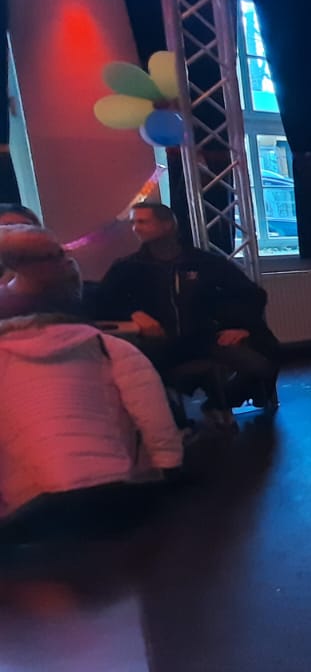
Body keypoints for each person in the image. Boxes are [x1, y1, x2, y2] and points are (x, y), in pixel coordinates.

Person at [0, 238, 182, 520]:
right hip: (113, 489)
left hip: (27, 506)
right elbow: (154, 416)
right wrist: (169, 469)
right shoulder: (108, 347)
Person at [96, 202, 280, 422]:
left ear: (167, 225)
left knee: (260, 365)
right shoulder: (128, 267)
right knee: (140, 380)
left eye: (143, 222)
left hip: (205, 338)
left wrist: (242, 326)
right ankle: (178, 424)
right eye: (134, 223)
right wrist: (133, 313)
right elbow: (101, 300)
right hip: (159, 344)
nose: (136, 228)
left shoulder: (204, 262)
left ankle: (217, 403)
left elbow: (251, 294)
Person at [0, 225, 82, 320]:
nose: (66, 261)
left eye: (61, 253)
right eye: (50, 257)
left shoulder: (67, 290)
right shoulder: (6, 309)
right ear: (17, 265)